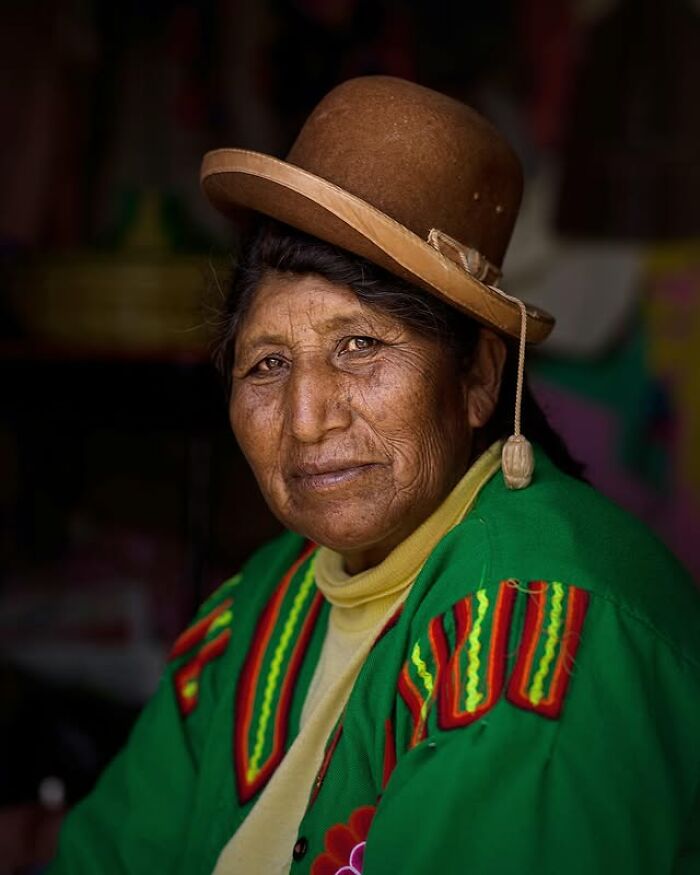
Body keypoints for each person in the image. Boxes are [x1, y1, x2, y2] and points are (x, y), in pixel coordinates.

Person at [48, 77, 700, 875]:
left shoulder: (538, 624)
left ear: (477, 380)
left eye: (360, 345)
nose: (306, 417)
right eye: (268, 363)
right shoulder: (255, 612)